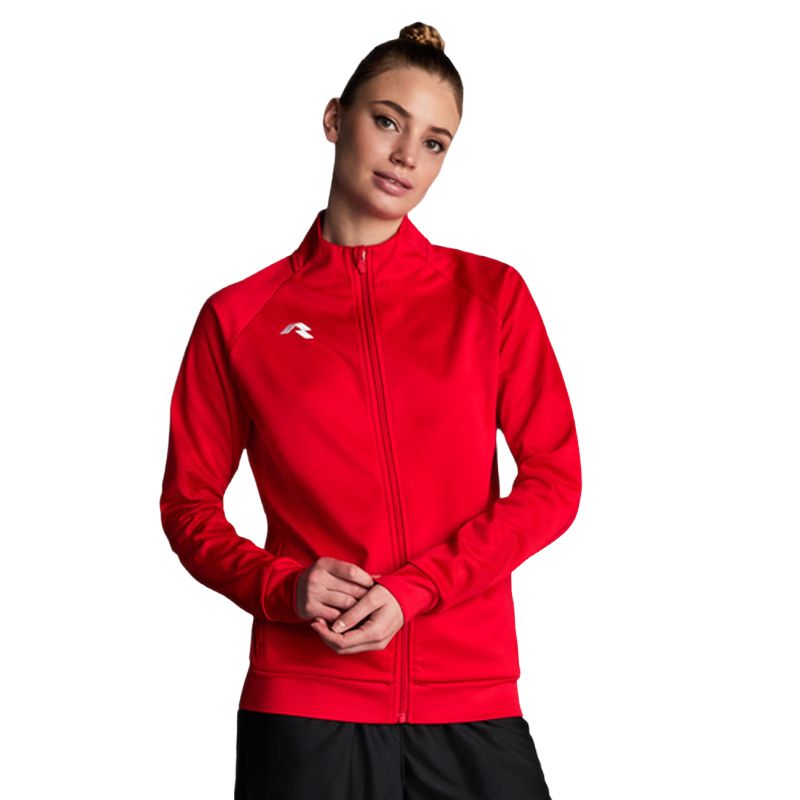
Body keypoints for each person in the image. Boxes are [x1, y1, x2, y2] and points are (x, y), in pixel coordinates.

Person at [159, 21, 582, 800]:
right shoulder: (240, 317)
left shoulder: (490, 297)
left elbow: (554, 482)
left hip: (468, 695)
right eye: (388, 121)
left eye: (434, 142)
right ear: (335, 119)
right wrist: (280, 586)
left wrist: (419, 588)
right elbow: (188, 507)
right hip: (305, 704)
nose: (406, 156)